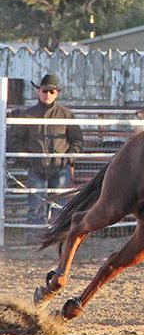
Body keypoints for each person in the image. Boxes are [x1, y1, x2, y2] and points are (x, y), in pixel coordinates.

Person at [8, 74, 83, 225]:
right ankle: (34, 238)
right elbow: (15, 140)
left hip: (60, 168)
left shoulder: (66, 115)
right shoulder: (27, 115)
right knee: (36, 206)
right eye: (44, 91)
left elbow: (77, 140)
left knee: (59, 207)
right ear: (38, 91)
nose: (47, 94)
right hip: (36, 168)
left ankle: (55, 238)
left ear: (57, 93)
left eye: (51, 91)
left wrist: (68, 159)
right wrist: (28, 159)